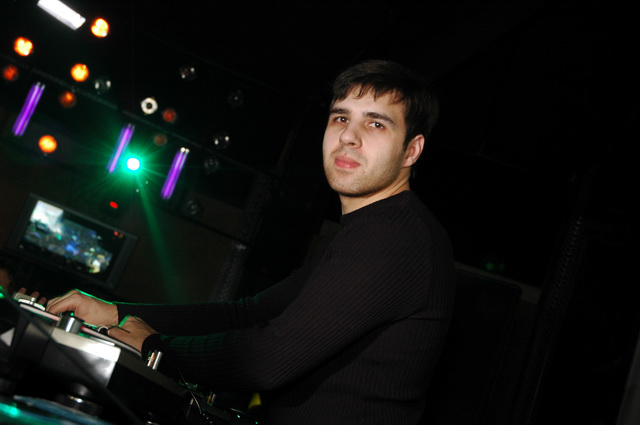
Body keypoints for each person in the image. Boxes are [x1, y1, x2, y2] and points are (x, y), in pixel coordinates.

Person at [47, 60, 456, 425]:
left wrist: (155, 347)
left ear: (411, 150)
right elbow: (247, 314)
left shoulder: (395, 236)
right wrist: (115, 312)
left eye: (376, 123)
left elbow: (268, 359)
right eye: (340, 118)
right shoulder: (372, 229)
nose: (348, 136)